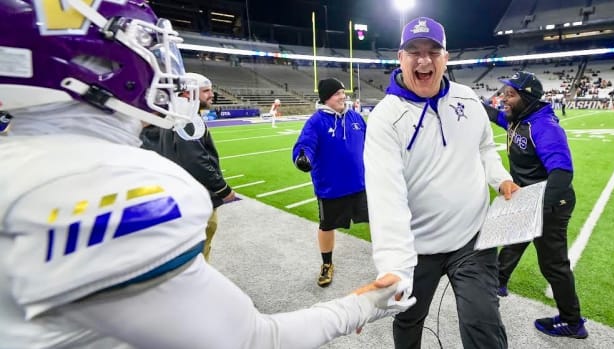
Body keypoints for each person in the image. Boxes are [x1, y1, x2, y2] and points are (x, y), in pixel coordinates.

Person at [0, 1, 414, 347]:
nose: (165, 67)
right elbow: (253, 339)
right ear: (93, 62)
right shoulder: (108, 189)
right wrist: (362, 306)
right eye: (146, 45)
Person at [363, 17, 519, 349]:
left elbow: (484, 147)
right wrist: (394, 267)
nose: (424, 60)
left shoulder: (467, 99)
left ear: (445, 58)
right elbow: (385, 198)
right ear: (400, 58)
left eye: (433, 51)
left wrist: (501, 179)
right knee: (408, 319)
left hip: (472, 240)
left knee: (484, 325)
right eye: (414, 51)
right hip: (418, 249)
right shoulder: (385, 118)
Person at [483, 71, 588, 339]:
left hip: (551, 202)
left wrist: (536, 207)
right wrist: (465, 100)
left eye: (511, 94)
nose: (503, 99)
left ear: (527, 98)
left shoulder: (544, 127)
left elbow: (562, 175)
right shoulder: (519, 118)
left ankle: (573, 322)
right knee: (513, 241)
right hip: (529, 197)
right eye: (504, 92)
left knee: (553, 265)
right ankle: (498, 282)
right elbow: (495, 116)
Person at [141, 72, 235, 261]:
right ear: (187, 94)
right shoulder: (187, 118)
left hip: (173, 194)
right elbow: (196, 160)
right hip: (196, 197)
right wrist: (223, 189)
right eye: (206, 91)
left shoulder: (166, 116)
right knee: (199, 250)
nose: (211, 94)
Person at [292, 77, 369, 288]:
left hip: (360, 184)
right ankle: (327, 264)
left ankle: (388, 256)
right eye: (337, 93)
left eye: (343, 93)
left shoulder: (355, 117)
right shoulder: (316, 122)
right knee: (327, 226)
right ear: (326, 98)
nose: (342, 96)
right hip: (331, 188)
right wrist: (302, 157)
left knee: (377, 219)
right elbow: (304, 145)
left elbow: (371, 140)